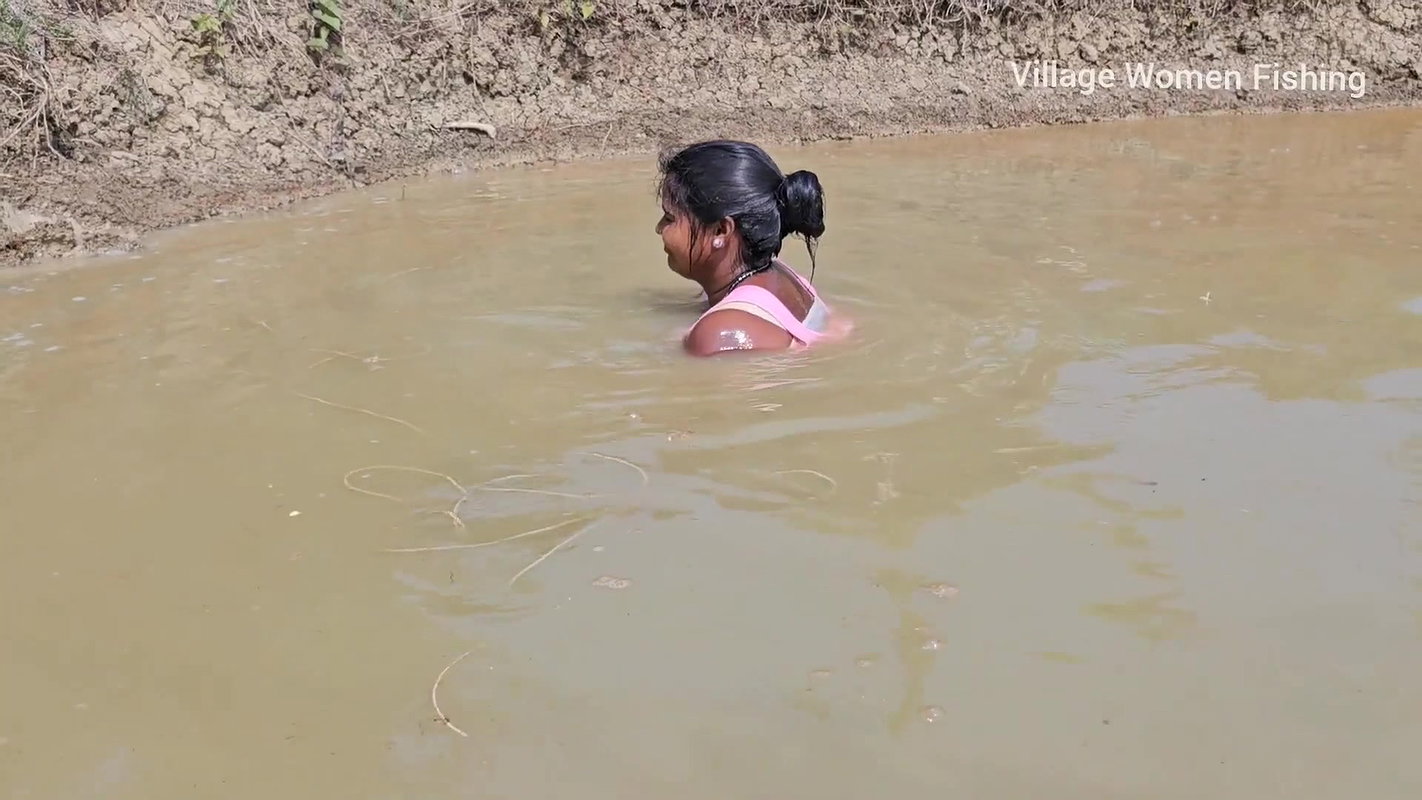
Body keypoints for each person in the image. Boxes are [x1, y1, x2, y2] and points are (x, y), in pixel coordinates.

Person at [655, 140, 835, 356]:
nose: (659, 228)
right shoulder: (781, 274)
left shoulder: (719, 336)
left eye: (669, 218)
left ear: (721, 231)